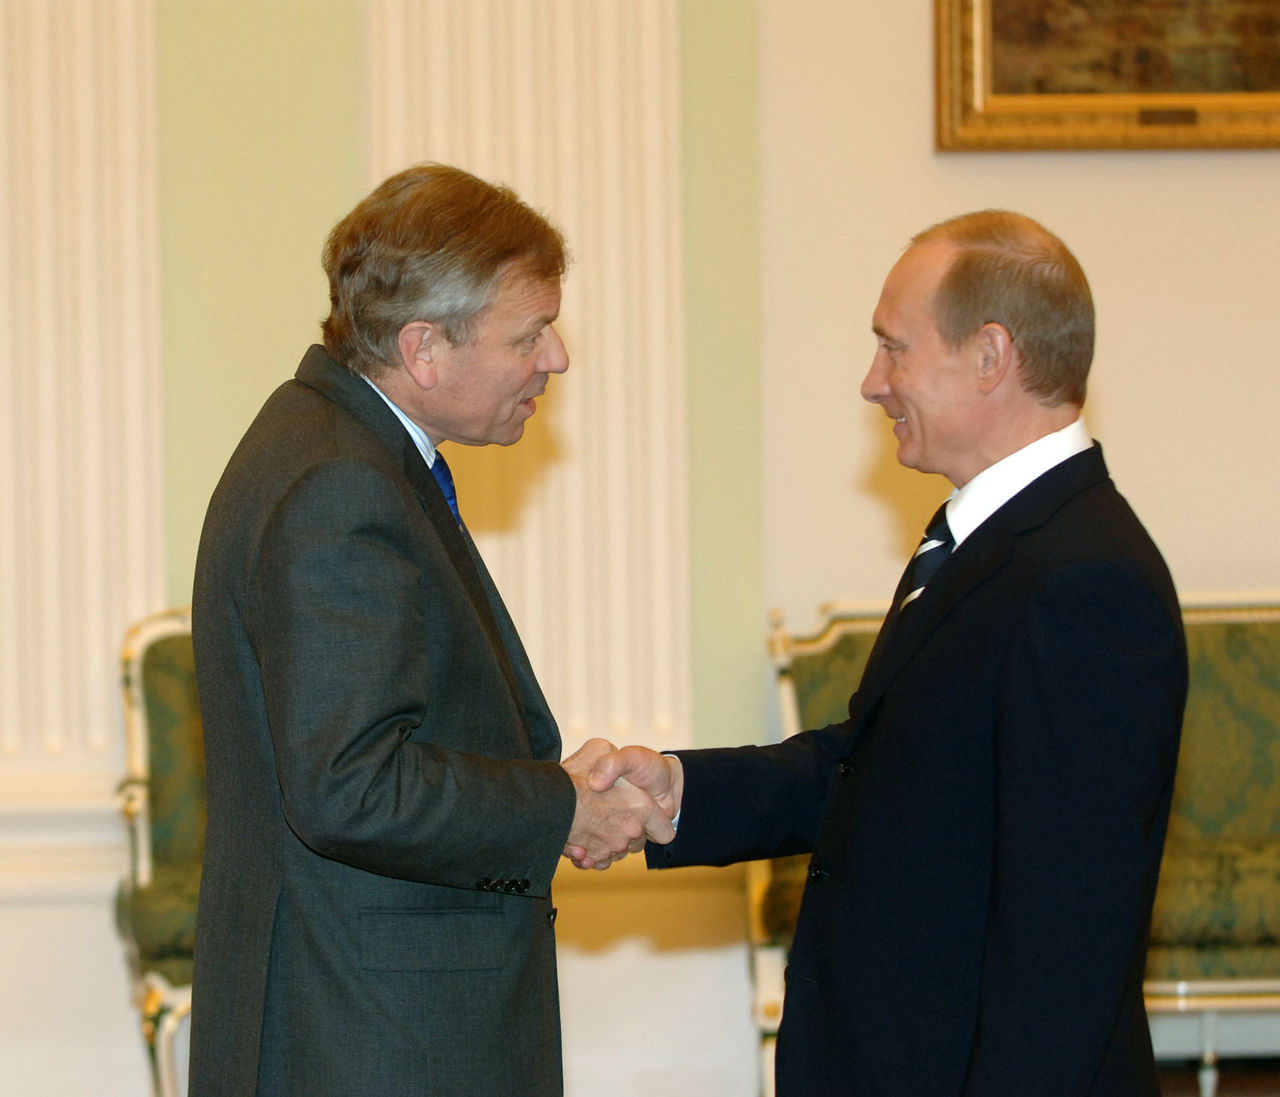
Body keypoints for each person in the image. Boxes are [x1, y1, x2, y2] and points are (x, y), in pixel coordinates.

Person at [584, 211, 1188, 1096]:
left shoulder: (1085, 580)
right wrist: (681, 792)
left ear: (990, 356)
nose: (873, 383)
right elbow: (884, 770)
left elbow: (1066, 945)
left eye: (893, 348)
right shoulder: (997, 539)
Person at [189, 163, 673, 1097]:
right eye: (529, 333)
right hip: (371, 1037)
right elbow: (352, 785)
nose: (556, 358)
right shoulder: (339, 484)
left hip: (361, 1015)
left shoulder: (330, 444)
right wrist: (560, 805)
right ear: (424, 349)